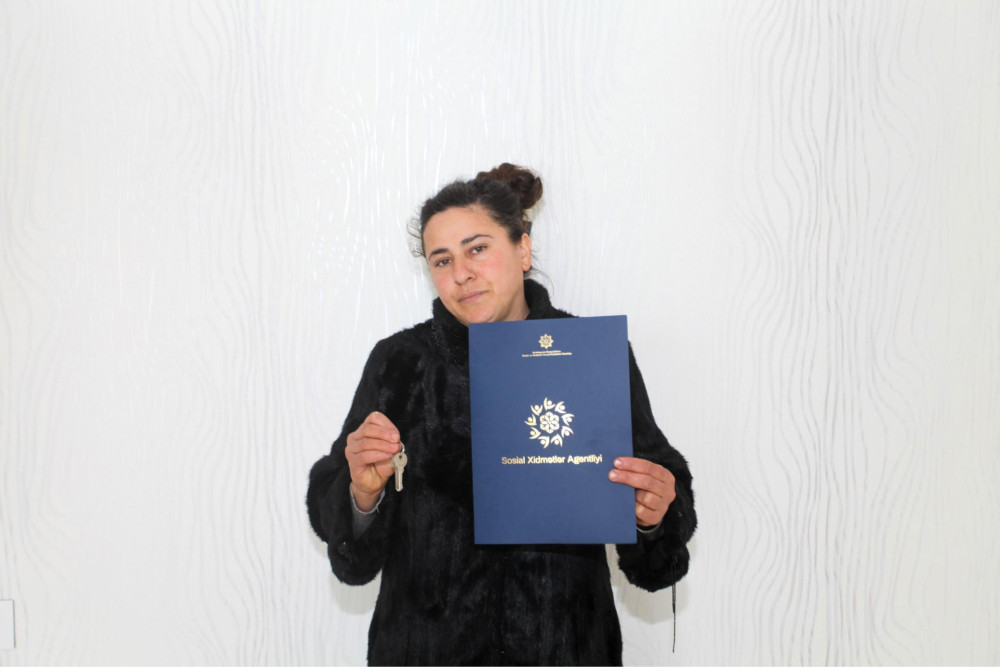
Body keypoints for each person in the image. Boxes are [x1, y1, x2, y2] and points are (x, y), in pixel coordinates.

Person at [306, 164, 696, 665]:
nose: (460, 273)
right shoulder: (399, 364)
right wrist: (362, 495)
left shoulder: (593, 355)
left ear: (523, 249)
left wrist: (654, 514)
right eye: (441, 260)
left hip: (567, 650)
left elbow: (660, 543)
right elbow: (350, 558)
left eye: (477, 249)